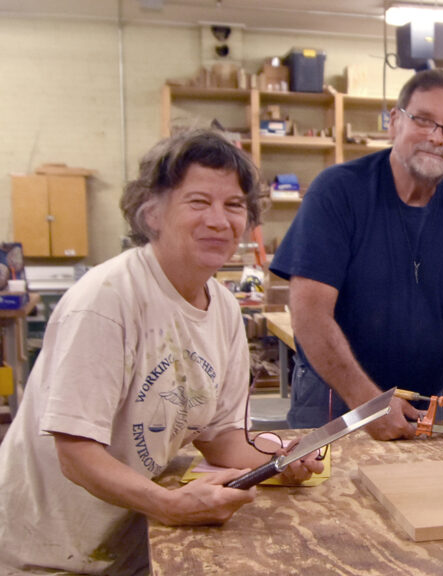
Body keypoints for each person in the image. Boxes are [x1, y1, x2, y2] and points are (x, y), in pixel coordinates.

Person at [0, 129, 323, 575]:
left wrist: (280, 458)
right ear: (151, 212)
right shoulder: (108, 299)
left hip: (130, 543)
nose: (219, 220)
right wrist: (168, 504)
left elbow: (220, 437)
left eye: (234, 205)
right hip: (46, 556)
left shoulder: (224, 308)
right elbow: (75, 454)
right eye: (198, 202)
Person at [270, 68, 443, 441]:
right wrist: (368, 404)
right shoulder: (338, 192)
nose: (437, 137)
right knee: (328, 481)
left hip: (429, 399)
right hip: (336, 394)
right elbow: (309, 313)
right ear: (394, 121)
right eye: (423, 120)